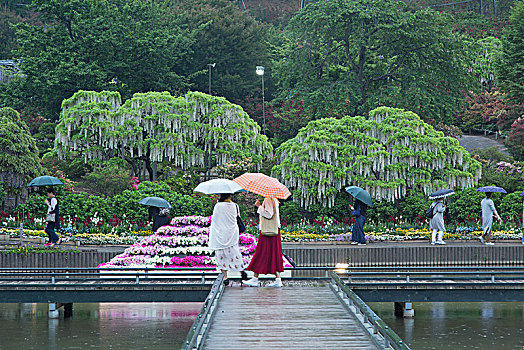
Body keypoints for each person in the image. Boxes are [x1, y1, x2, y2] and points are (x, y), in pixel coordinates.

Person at [244, 197, 284, 288]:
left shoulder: (268, 199)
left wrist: (259, 206)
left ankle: (255, 279)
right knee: (273, 253)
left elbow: (269, 214)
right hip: (273, 230)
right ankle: (278, 279)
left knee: (261, 252)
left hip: (267, 231)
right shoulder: (274, 199)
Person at [208, 193, 245, 286]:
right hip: (232, 232)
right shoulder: (235, 206)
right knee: (234, 253)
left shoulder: (218, 206)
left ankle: (225, 277)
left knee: (221, 255)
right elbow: (237, 218)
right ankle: (241, 271)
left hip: (220, 233)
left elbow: (215, 220)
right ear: (230, 196)